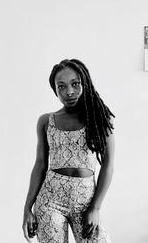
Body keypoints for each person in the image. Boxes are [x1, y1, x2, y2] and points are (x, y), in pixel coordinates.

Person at [22, 59, 115, 242]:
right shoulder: (46, 121)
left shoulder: (101, 119)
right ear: (55, 90)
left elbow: (108, 165)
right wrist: (27, 208)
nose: (69, 91)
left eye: (75, 84)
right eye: (61, 86)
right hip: (49, 201)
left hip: (86, 202)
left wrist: (95, 208)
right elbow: (40, 165)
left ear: (85, 83)